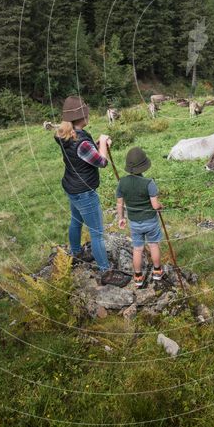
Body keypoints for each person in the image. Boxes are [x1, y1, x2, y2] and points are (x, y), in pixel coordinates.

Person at [54, 95, 128, 287]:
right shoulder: (81, 142)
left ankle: (76, 253)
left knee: (75, 221)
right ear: (83, 117)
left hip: (72, 187)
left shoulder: (63, 135)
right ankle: (106, 273)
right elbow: (101, 162)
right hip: (85, 191)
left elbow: (82, 154)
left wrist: (98, 144)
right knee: (96, 233)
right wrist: (102, 142)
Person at [116, 147, 164, 288]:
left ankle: (137, 277)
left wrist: (121, 218)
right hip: (150, 221)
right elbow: (155, 205)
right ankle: (157, 271)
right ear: (144, 165)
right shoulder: (149, 183)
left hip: (135, 223)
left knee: (137, 249)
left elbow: (120, 203)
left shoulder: (122, 183)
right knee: (153, 245)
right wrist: (161, 206)